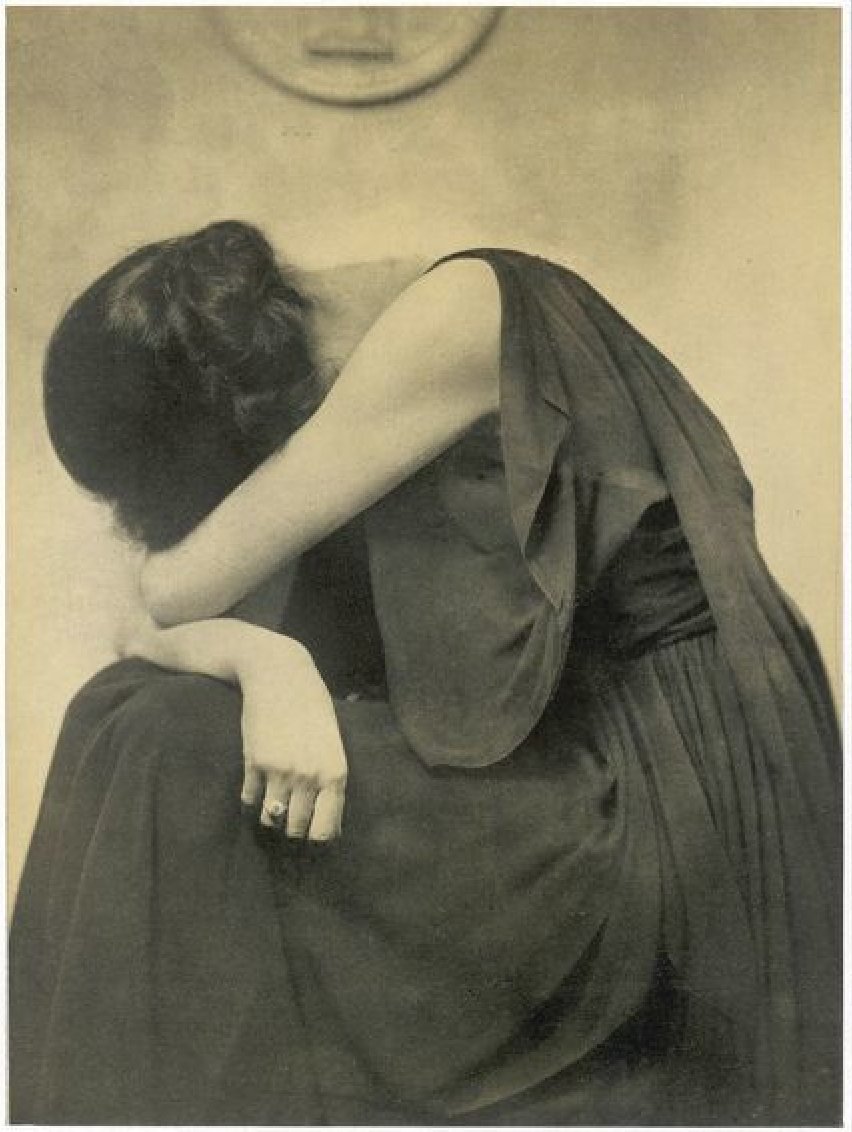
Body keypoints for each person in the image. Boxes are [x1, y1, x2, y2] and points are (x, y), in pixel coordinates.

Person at [10, 221, 840, 1125]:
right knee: (131, 714)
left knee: (168, 742)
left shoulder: (455, 317)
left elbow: (172, 593)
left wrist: (258, 654)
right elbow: (143, 623)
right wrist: (266, 659)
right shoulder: (344, 371)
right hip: (578, 759)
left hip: (676, 792)